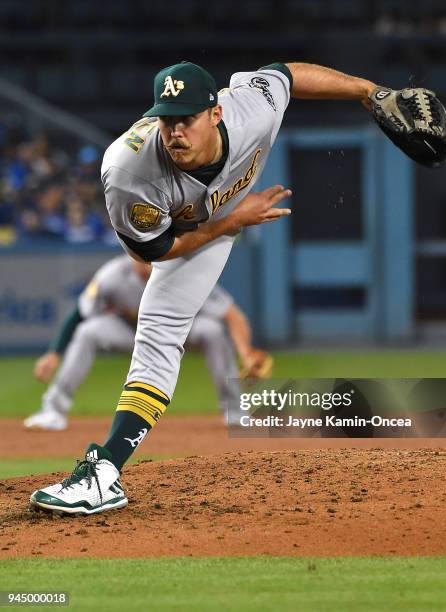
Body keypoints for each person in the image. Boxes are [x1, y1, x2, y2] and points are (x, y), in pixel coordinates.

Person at [30, 60, 379, 515]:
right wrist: (232, 221)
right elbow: (154, 251)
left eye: (187, 118)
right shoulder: (128, 170)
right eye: (167, 119)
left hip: (220, 206)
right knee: (158, 334)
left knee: (164, 332)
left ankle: (105, 472)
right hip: (175, 226)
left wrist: (369, 91)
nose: (175, 131)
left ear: (215, 113)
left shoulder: (251, 110)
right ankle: (105, 474)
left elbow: (287, 75)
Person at [25, 254, 268, 431]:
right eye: (142, 256)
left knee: (213, 330)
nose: (148, 262)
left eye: (153, 256)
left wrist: (246, 352)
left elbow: (232, 315)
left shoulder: (184, 274)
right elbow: (79, 313)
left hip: (177, 331)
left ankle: (235, 411)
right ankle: (53, 411)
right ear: (131, 254)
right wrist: (54, 353)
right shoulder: (112, 276)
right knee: (88, 331)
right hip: (130, 333)